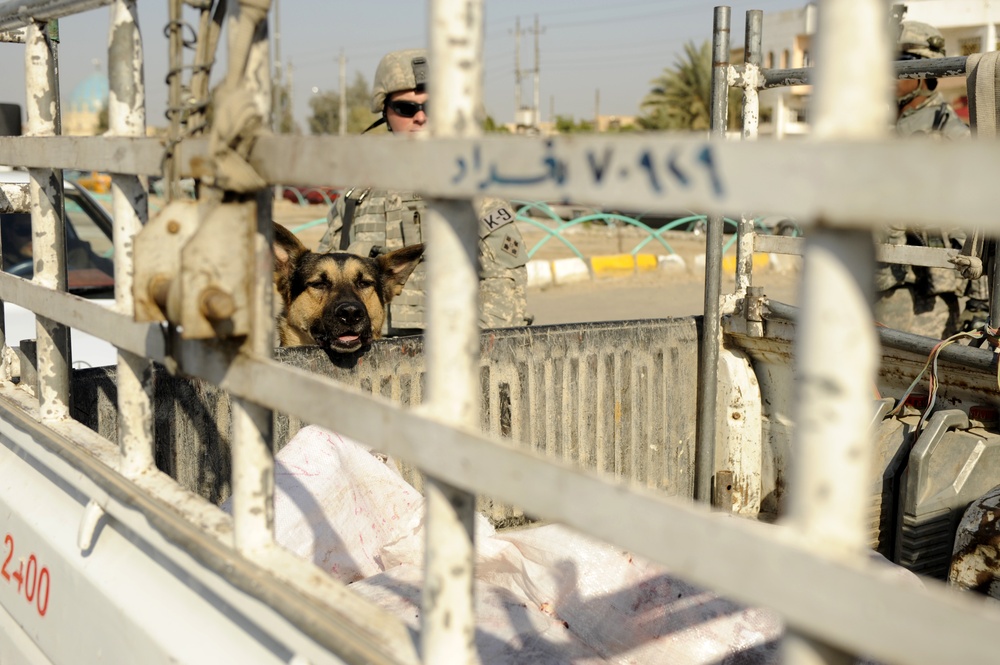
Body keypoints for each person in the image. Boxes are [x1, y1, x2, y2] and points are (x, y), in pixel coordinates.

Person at [318, 49, 530, 336]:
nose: (420, 118)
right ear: (386, 113)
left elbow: (505, 300)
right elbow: (322, 282)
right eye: (406, 108)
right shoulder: (358, 195)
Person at [874, 20, 989, 337]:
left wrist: (980, 304)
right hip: (871, 278)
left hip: (924, 298)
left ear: (926, 71)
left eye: (901, 63)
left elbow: (979, 223)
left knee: (913, 381)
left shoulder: (950, 134)